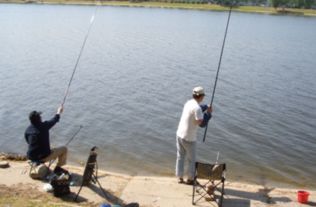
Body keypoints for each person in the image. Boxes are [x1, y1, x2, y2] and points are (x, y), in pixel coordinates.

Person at [175, 86, 212, 185]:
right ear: (201, 96)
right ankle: (191, 179)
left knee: (180, 157)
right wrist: (208, 114)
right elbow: (202, 124)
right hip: (189, 138)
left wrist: (206, 107)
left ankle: (179, 177)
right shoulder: (197, 109)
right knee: (192, 160)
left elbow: (198, 108)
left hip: (179, 135)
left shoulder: (189, 103)